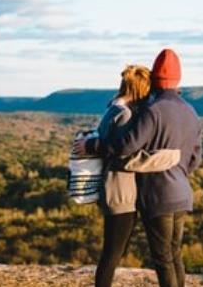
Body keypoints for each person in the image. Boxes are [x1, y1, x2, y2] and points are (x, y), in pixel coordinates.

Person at [77, 49, 203, 287]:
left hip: (158, 195)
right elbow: (195, 158)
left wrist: (93, 145)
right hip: (182, 192)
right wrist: (178, 173)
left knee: (163, 259)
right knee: (174, 255)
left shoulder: (153, 110)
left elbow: (125, 146)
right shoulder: (191, 111)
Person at [84, 64, 152, 287]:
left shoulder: (113, 109)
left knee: (112, 251)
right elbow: (123, 152)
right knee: (112, 253)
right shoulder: (125, 114)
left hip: (112, 188)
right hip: (120, 191)